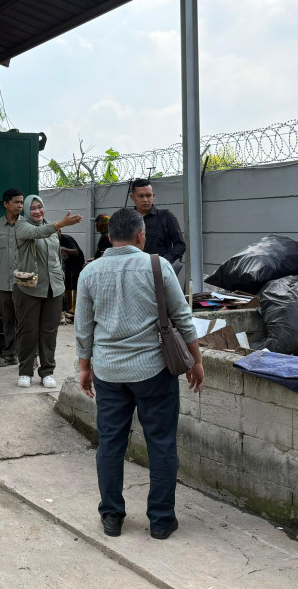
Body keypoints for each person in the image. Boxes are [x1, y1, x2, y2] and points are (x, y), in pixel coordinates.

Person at [75, 207, 204, 540]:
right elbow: (183, 318)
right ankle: (161, 521)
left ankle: (112, 517)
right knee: (161, 445)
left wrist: (85, 368)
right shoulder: (157, 266)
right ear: (141, 235)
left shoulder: (89, 273)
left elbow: (83, 328)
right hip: (154, 373)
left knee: (110, 444)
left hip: (109, 373)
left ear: (108, 236)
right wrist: (197, 361)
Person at [12, 196, 83, 389]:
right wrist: (60, 223)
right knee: (28, 332)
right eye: (32, 208)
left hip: (54, 288)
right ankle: (25, 371)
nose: (37, 211)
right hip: (30, 288)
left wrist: (59, 277)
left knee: (49, 332)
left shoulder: (52, 229)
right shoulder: (21, 226)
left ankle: (47, 372)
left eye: (40, 207)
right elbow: (37, 232)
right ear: (26, 210)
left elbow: (55, 255)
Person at [0, 188, 24, 367]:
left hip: (24, 283)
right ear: (5, 204)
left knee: (26, 322)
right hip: (3, 282)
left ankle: (27, 357)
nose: (20, 205)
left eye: (22, 202)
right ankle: (9, 355)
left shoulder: (28, 225)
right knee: (8, 321)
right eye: (16, 202)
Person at [129, 179, 185, 272]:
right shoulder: (127, 219)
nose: (145, 200)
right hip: (133, 271)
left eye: (148, 195)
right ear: (132, 197)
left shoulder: (166, 216)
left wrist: (162, 262)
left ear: (153, 196)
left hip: (159, 272)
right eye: (141, 196)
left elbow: (180, 245)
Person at [58, 228, 85, 319]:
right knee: (67, 284)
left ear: (60, 231)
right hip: (67, 264)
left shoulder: (67, 239)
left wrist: (64, 249)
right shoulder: (54, 240)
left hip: (77, 263)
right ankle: (69, 308)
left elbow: (76, 251)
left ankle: (74, 308)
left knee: (74, 284)